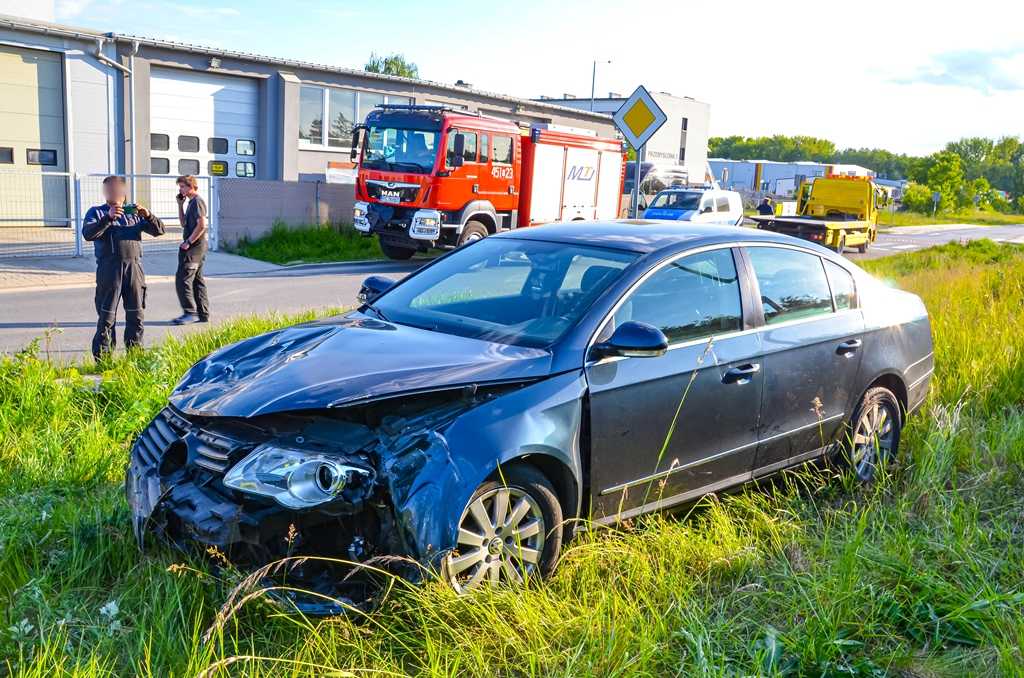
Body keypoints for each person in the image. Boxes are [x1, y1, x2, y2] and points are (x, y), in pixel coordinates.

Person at [82, 176, 164, 360]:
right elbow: (88, 234)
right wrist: (108, 218)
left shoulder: (134, 213)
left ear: (124, 191)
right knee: (106, 318)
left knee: (136, 316)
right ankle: (103, 360)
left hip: (134, 270)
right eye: (109, 189)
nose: (114, 192)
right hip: (109, 271)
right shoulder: (97, 212)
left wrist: (147, 215)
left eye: (117, 189)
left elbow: (159, 230)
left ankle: (135, 357)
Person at [172, 175, 210, 325]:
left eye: (182, 186)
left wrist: (188, 242)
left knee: (183, 280)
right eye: (180, 187)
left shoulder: (198, 202)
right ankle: (203, 314)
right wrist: (180, 205)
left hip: (194, 249)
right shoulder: (190, 203)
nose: (180, 190)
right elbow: (183, 223)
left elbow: (202, 225)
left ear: (191, 186)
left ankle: (189, 312)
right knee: (197, 281)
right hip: (196, 248)